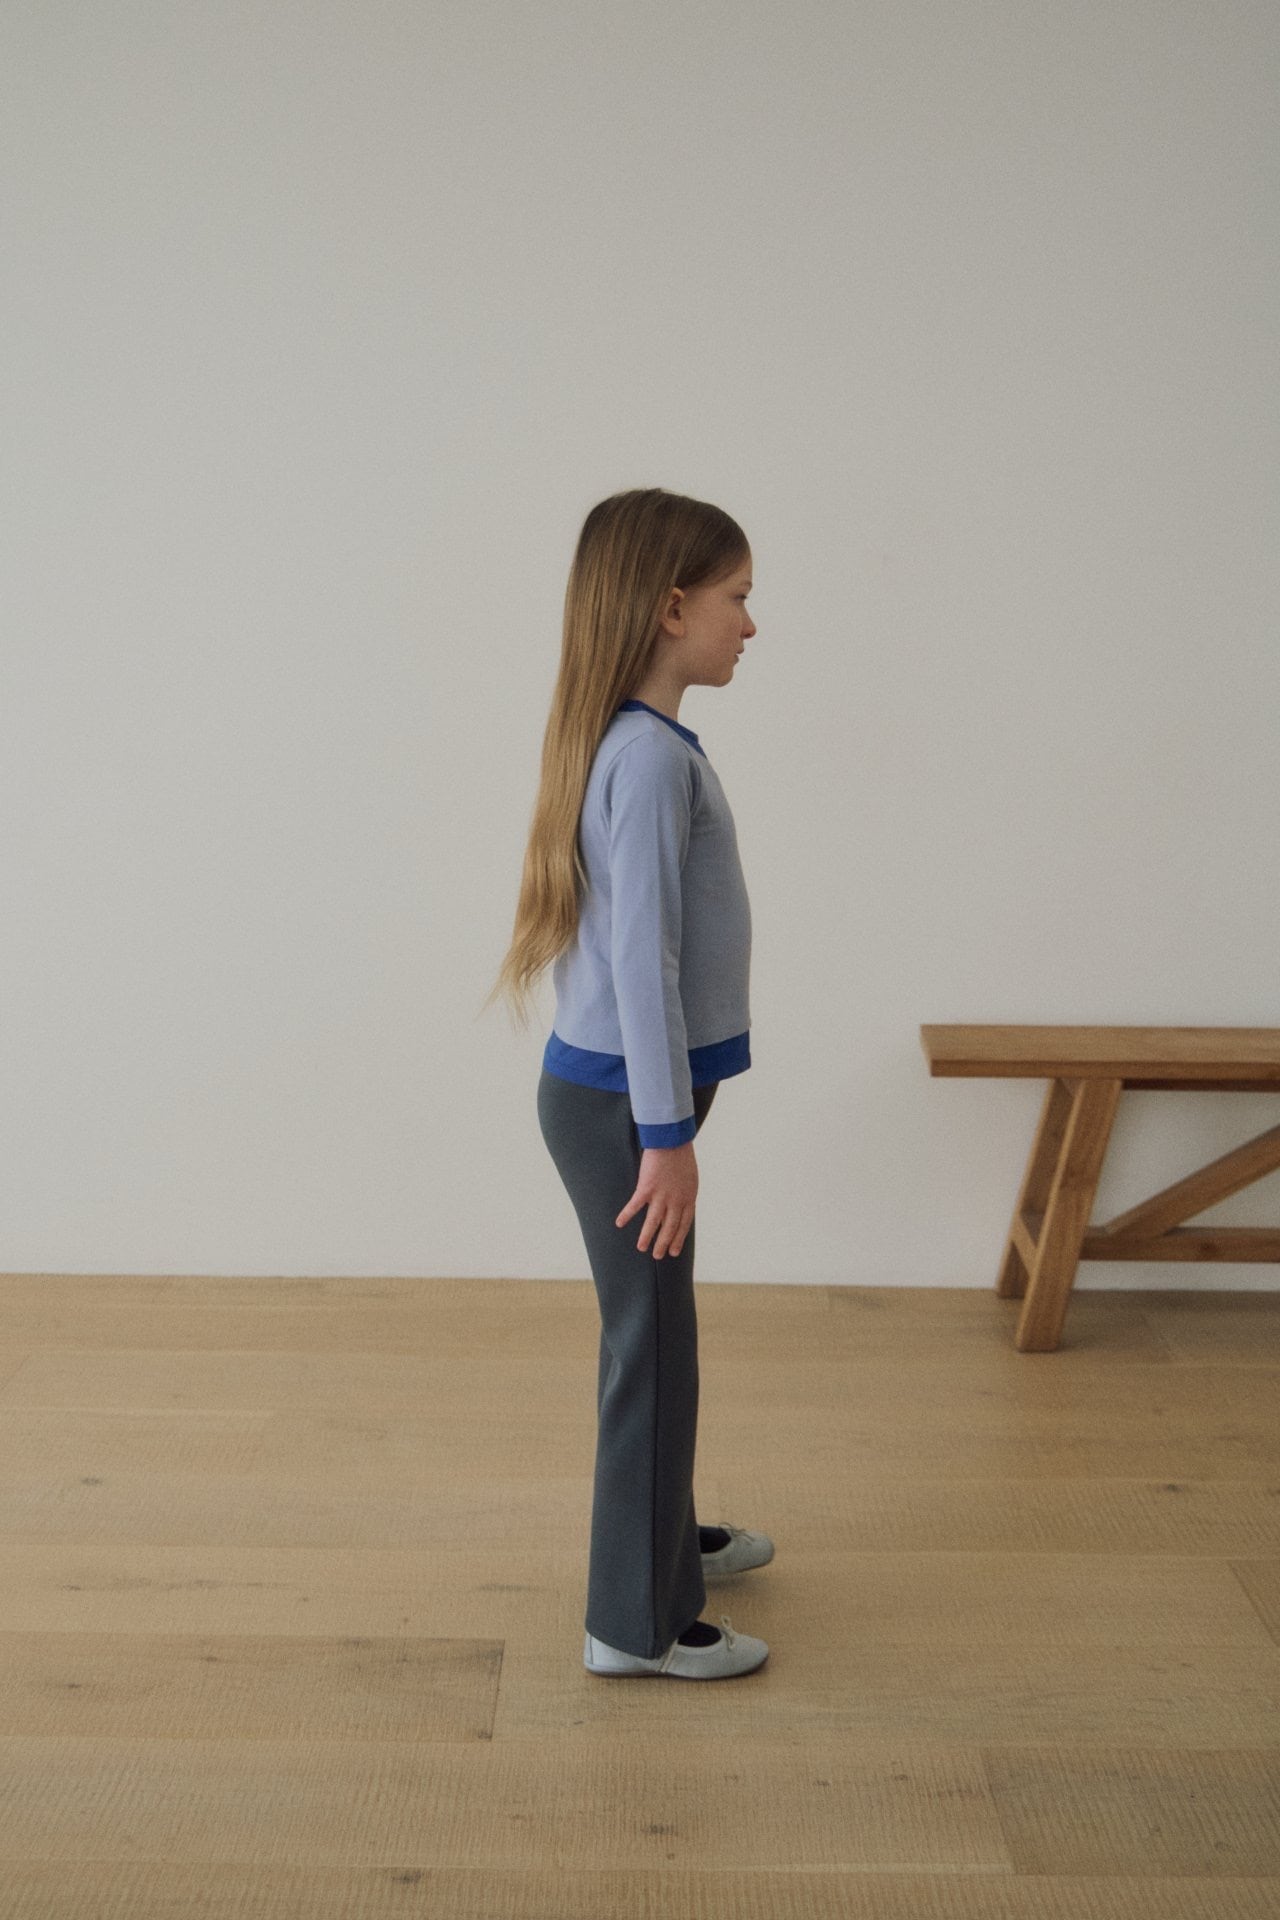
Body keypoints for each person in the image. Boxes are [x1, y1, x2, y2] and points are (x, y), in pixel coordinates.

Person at [481, 487, 774, 1680]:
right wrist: (665, 1135)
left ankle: (660, 1540)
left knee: (658, 1332)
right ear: (669, 608)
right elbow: (643, 968)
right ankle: (635, 1624)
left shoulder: (636, 744)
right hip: (624, 1110)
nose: (750, 623)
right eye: (737, 597)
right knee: (649, 1345)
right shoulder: (646, 760)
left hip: (618, 1100)